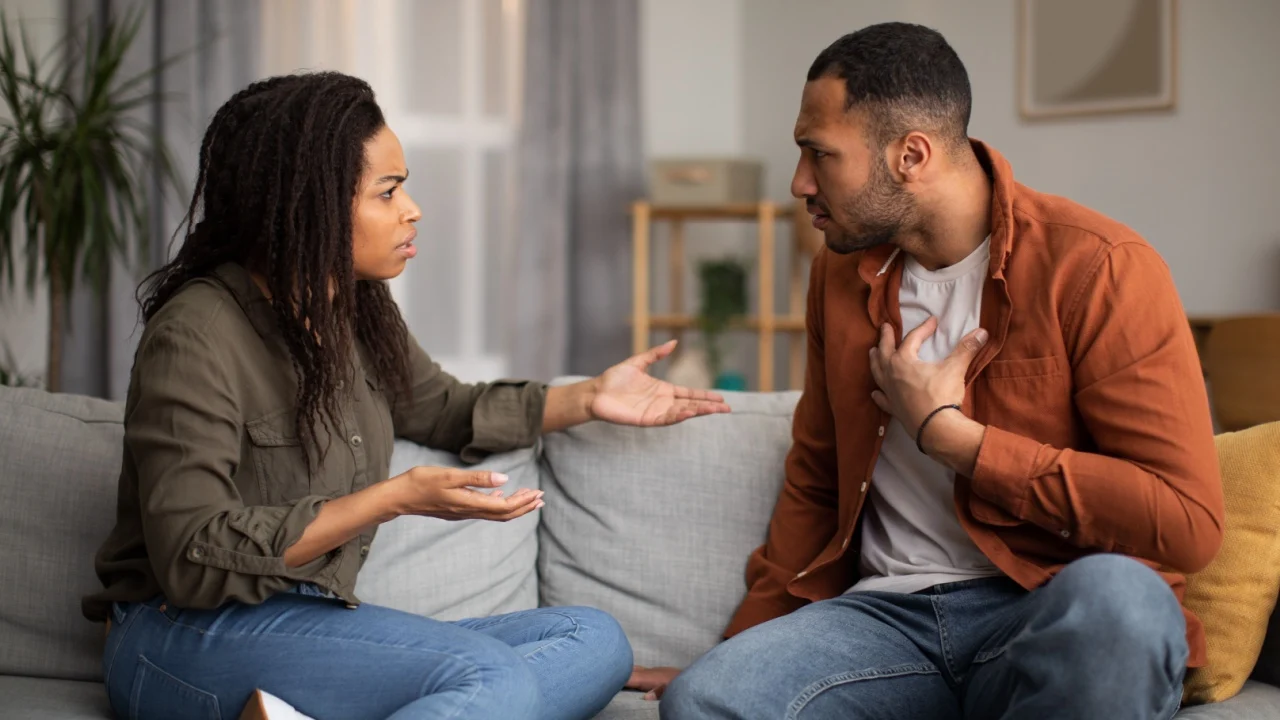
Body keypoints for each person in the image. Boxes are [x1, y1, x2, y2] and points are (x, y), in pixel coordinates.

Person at [82, 71, 730, 720]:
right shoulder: (196, 333)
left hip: (306, 625)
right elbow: (192, 555)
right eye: (388, 192)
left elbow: (444, 408)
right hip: (179, 638)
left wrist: (589, 397)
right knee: (494, 679)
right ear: (310, 202)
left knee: (595, 641)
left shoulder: (352, 307)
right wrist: (390, 499)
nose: (411, 209)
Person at [628, 22, 1224, 719]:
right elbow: (817, 473)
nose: (799, 183)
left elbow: (1188, 525)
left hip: (1042, 608)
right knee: (708, 699)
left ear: (911, 154)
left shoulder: (1098, 268)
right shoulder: (839, 275)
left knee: (1120, 604)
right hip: (887, 628)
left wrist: (955, 439)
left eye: (819, 155)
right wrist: (738, 650)